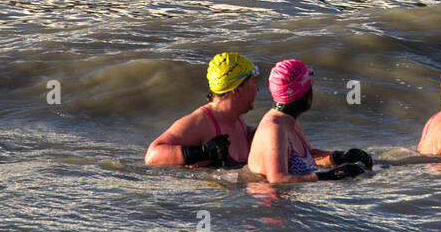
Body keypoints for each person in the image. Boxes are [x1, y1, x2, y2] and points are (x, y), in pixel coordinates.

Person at [245, 59, 374, 183]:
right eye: (310, 86)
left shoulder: (288, 121)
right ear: (303, 92)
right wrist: (333, 175)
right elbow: (277, 179)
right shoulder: (274, 129)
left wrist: (340, 157)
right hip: (277, 203)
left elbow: (311, 156)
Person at [145, 52, 259, 168]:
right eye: (254, 82)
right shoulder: (201, 122)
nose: (258, 88)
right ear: (237, 90)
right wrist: (203, 151)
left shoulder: (236, 119)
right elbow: (152, 155)